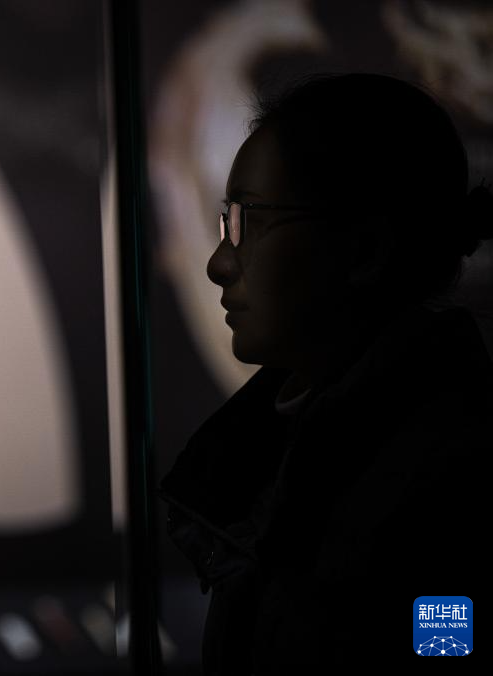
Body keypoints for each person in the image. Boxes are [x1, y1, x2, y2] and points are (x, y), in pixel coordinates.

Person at [159, 73, 493, 673]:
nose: (219, 263)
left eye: (250, 222)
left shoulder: (456, 475)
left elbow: (447, 651)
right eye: (226, 221)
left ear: (363, 250)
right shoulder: (296, 445)